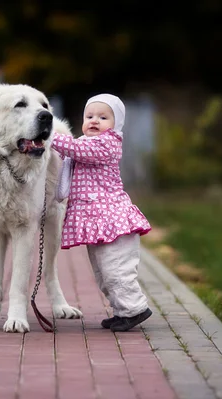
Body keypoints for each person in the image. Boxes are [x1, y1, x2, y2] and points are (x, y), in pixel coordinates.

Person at [51, 93, 153, 332]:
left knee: (117, 268)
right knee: (103, 272)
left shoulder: (107, 144)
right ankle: (122, 311)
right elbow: (71, 152)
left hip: (113, 221)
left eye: (103, 117)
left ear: (115, 124)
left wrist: (48, 137)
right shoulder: (84, 144)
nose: (94, 120)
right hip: (99, 222)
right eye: (89, 116)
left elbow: (74, 149)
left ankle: (134, 309)